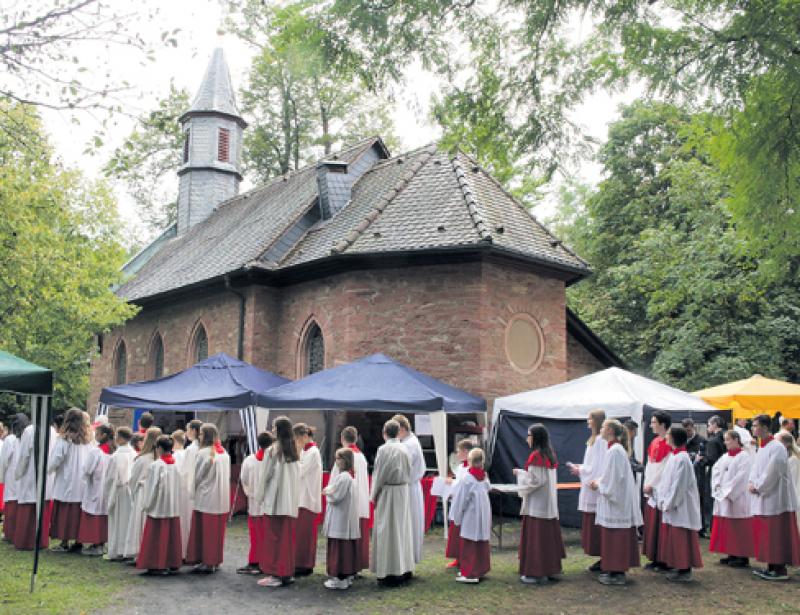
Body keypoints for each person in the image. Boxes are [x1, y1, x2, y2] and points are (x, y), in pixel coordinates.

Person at [589, 419, 642, 586]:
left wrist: (599, 485)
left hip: (616, 503)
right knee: (612, 537)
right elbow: (610, 475)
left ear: (610, 431)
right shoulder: (614, 450)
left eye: (603, 427)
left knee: (616, 538)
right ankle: (612, 569)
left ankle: (617, 572)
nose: (601, 430)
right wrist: (599, 481)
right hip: (616, 502)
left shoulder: (615, 451)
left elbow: (613, 481)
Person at [748, 414, 800, 580]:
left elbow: (773, 472)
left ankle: (779, 569)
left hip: (776, 499)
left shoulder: (777, 447)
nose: (752, 428)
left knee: (776, 534)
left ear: (764, 427)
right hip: (765, 496)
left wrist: (758, 486)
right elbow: (755, 468)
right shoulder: (763, 447)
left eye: (755, 425)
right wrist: (752, 482)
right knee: (768, 535)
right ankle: (771, 566)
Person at [514, 423, 565, 585]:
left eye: (529, 435)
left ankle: (536, 573)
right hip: (547, 504)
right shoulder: (548, 454)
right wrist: (523, 473)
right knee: (546, 540)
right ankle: (549, 569)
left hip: (537, 506)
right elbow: (540, 478)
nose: (526, 439)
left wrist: (520, 476)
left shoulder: (536, 456)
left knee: (537, 540)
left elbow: (535, 481)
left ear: (535, 437)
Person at [256, 416, 299, 588]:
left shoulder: (273, 450)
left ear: (278, 430)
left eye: (274, 427)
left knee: (274, 539)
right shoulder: (293, 450)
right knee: (285, 540)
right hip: (288, 501)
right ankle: (286, 572)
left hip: (275, 501)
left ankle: (276, 574)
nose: (272, 429)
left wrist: (259, 496)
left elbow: (265, 476)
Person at [656, 425, 703, 582]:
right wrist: (662, 498)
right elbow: (666, 481)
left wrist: (669, 503)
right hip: (673, 504)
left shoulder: (682, 458)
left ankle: (684, 568)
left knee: (681, 537)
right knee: (675, 537)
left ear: (674, 437)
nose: (666, 437)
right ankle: (678, 566)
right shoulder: (674, 456)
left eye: (668, 434)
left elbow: (678, 486)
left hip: (680, 505)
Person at [371, 419, 414, 586]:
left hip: (388, 492)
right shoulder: (405, 448)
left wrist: (374, 494)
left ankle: (388, 571)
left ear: (384, 433)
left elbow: (379, 474)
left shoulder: (383, 450)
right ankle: (404, 568)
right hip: (402, 491)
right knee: (401, 531)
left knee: (387, 531)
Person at [186, 423, 230, 574]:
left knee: (206, 532)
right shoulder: (223, 452)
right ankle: (214, 560)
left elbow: (197, 475)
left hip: (206, 496)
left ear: (206, 436)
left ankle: (207, 561)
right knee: (216, 532)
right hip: (221, 497)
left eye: (201, 434)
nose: (199, 436)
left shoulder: (203, 453)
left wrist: (192, 490)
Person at [566, 409, 607, 571]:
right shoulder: (594, 440)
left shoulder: (600, 441)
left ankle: (604, 558)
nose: (587, 422)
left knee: (597, 524)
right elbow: (592, 464)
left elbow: (598, 466)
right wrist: (581, 468)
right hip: (590, 484)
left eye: (590, 419)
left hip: (595, 486)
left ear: (596, 421)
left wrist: (581, 470)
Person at [136, 435, 182, 575]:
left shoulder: (156, 466)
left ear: (160, 448)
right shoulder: (176, 464)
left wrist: (146, 503)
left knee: (156, 536)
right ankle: (172, 562)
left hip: (158, 506)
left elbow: (152, 487)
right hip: (172, 505)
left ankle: (157, 564)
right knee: (171, 535)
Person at [48, 408, 91, 552]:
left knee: (65, 512)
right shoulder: (87, 441)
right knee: (78, 511)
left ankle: (64, 542)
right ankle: (78, 541)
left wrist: (48, 470)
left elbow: (56, 459)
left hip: (67, 480)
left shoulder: (64, 439)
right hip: (81, 481)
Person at [708, 429, 753, 568]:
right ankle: (732, 553)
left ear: (736, 440)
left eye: (727, 439)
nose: (725, 442)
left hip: (737, 498)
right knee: (728, 527)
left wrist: (727, 491)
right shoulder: (725, 456)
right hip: (724, 497)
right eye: (725, 440)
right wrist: (718, 488)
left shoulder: (744, 457)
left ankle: (742, 556)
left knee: (739, 527)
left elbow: (742, 478)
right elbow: (715, 471)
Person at [329, 426, 370, 573]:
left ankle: (345, 567)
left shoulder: (343, 456)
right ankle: (356, 566)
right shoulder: (362, 457)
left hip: (345, 503)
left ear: (342, 439)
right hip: (360, 501)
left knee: (344, 539)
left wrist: (329, 493)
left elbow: (334, 482)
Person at [450, 448, 491, 584]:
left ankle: (470, 573)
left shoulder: (467, 477)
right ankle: (480, 569)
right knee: (480, 542)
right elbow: (488, 488)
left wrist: (456, 515)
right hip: (483, 513)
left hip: (471, 514)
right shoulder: (484, 476)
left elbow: (461, 498)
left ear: (470, 461)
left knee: (469, 543)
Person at [322, 447, 361, 590]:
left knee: (340, 548)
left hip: (341, 519)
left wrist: (326, 492)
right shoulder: (348, 476)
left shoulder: (344, 477)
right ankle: (346, 576)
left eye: (338, 459)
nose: (336, 461)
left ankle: (340, 578)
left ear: (345, 461)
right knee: (345, 548)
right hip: (345, 517)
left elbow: (336, 496)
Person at [122, 426, 161, 561]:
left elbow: (133, 479)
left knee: (139, 523)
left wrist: (134, 491)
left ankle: (139, 551)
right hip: (156, 494)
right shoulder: (159, 459)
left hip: (142, 493)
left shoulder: (143, 459)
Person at [237, 431, 273, 575]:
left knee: (256, 536)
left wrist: (250, 493)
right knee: (269, 536)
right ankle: (267, 562)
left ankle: (255, 562)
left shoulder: (249, 460)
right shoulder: (275, 461)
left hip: (254, 504)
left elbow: (244, 479)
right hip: (270, 504)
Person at [392, 414, 426, 564]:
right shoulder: (410, 441)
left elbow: (402, 469)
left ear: (402, 429)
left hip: (408, 487)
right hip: (411, 486)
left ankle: (407, 558)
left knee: (408, 524)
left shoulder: (408, 445)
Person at [77, 423, 115, 556]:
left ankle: (95, 544)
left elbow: (87, 470)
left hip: (95, 486)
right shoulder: (113, 452)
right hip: (107, 488)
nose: (95, 436)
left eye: (97, 434)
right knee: (104, 514)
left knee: (94, 514)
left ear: (103, 435)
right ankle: (102, 544)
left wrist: (84, 477)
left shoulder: (96, 452)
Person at [13, 414, 50, 550]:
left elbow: (24, 456)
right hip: (46, 476)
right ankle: (42, 541)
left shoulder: (29, 431)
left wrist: (18, 474)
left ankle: (26, 541)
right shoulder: (51, 430)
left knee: (28, 508)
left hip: (31, 475)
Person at [642, 410, 672, 570]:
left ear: (663, 424)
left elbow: (664, 468)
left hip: (661, 489)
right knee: (653, 524)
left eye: (654, 422)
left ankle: (663, 559)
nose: (651, 425)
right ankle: (654, 556)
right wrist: (647, 483)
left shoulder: (669, 442)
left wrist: (652, 484)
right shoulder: (654, 441)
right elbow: (650, 465)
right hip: (652, 489)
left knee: (661, 525)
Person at [293, 423, 322, 576]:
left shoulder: (312, 452)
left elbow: (299, 471)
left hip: (307, 498)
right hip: (302, 497)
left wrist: (297, 452)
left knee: (305, 535)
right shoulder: (307, 451)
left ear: (304, 437)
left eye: (297, 439)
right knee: (301, 534)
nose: (296, 442)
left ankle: (304, 564)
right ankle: (300, 563)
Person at [104, 426, 135, 561]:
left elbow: (110, 477)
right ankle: (126, 549)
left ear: (121, 438)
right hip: (130, 490)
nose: (115, 438)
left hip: (118, 490)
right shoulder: (134, 453)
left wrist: (106, 492)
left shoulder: (116, 456)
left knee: (117, 521)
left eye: (117, 436)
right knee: (127, 521)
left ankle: (116, 550)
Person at [445, 439, 474, 570]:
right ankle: (457, 558)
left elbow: (463, 485)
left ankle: (463, 558)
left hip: (465, 506)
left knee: (463, 532)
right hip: (457, 501)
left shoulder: (470, 468)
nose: (457, 454)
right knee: (456, 532)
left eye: (459, 451)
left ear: (466, 452)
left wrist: (452, 483)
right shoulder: (462, 467)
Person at [178, 419, 202, 559]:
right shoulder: (202, 448)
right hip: (198, 488)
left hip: (188, 489)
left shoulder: (191, 449)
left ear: (193, 430)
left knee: (187, 521)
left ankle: (186, 550)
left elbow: (184, 472)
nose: (186, 433)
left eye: (188, 430)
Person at [699, 416, 727, 532]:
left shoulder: (713, 441)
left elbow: (712, 460)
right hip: (727, 473)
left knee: (711, 501)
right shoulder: (727, 436)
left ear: (715, 424)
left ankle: (712, 527)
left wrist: (702, 460)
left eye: (709, 424)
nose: (708, 427)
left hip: (715, 473)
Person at [682, 418, 708, 536]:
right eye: (685, 430)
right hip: (686, 474)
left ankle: (701, 527)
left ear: (693, 427)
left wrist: (696, 459)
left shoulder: (702, 440)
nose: (687, 433)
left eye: (689, 430)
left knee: (699, 499)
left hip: (698, 474)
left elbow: (705, 457)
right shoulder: (682, 440)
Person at [0, 414, 23, 543]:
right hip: (22, 477)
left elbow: (3, 461)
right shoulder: (26, 438)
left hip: (12, 476)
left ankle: (9, 532)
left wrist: (2, 477)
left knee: (11, 505)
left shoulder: (10, 440)